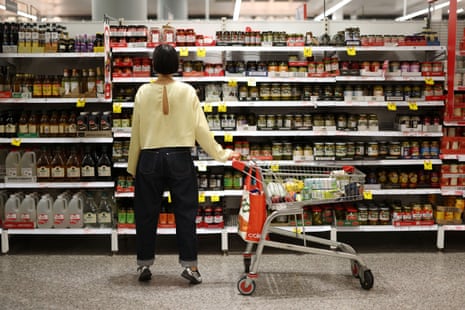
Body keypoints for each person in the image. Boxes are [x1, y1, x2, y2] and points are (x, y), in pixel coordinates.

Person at [127, 44, 240, 284]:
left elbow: (135, 132)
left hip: (149, 157)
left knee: (146, 214)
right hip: (179, 157)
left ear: (154, 65)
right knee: (185, 214)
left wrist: (133, 165)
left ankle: (144, 264)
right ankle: (191, 267)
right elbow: (201, 130)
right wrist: (222, 154)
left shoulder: (142, 92)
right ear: (177, 65)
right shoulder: (188, 91)